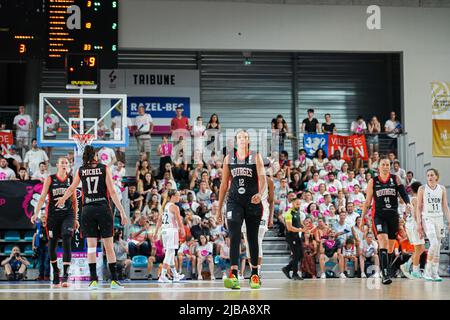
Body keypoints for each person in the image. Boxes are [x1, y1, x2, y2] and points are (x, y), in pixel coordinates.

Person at [55, 145, 128, 290]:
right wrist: (122, 212)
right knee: (109, 246)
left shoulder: (81, 170)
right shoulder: (103, 168)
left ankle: (93, 280)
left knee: (91, 247)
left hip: (87, 210)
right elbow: (112, 192)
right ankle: (114, 281)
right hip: (102, 208)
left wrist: (63, 199)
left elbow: (71, 189)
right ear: (94, 156)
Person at [217, 129, 266, 290]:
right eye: (239, 137)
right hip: (234, 202)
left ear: (248, 140)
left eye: (245, 137)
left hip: (252, 201)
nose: (242, 139)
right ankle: (233, 274)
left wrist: (260, 193)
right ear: (236, 140)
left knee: (252, 238)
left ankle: (254, 274)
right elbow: (224, 185)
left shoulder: (255, 156)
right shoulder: (228, 158)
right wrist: (218, 210)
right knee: (234, 236)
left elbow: (263, 178)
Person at [361, 155, 413, 285]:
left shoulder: (396, 178)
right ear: (378, 167)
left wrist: (408, 203)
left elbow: (403, 193)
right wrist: (362, 219)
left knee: (390, 248)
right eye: (383, 164)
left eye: (387, 165)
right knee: (382, 241)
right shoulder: (373, 181)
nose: (385, 167)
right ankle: (385, 274)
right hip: (379, 215)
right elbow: (367, 202)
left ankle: (387, 268)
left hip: (393, 216)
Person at [32, 157, 78, 288]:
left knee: (66, 237)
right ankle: (56, 273)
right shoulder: (50, 178)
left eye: (66, 163)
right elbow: (42, 197)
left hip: (68, 214)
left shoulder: (71, 179)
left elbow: (74, 201)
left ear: (69, 165)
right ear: (57, 165)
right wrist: (36, 213)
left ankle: (66, 275)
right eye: (62, 162)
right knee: (51, 245)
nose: (64, 164)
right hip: (53, 215)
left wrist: (76, 219)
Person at [417, 169, 450, 281]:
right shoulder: (422, 189)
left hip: (439, 218)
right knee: (434, 243)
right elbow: (418, 207)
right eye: (428, 175)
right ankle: (427, 270)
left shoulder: (442, 189)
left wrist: (449, 221)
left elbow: (445, 206)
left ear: (436, 176)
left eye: (432, 175)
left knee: (438, 246)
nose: (429, 177)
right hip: (427, 218)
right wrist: (419, 224)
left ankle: (435, 273)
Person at [242, 164, 275, 277]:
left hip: (262, 212)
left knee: (257, 240)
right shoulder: (245, 180)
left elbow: (271, 201)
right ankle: (253, 271)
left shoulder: (268, 181)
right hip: (246, 212)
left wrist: (271, 217)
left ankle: (257, 271)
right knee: (247, 242)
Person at [153, 190, 186, 283]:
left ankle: (175, 275)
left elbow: (159, 221)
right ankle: (163, 275)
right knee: (169, 253)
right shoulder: (174, 207)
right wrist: (182, 228)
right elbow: (179, 219)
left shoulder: (164, 206)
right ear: (173, 196)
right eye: (177, 195)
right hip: (172, 231)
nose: (179, 197)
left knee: (170, 253)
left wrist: (156, 233)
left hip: (164, 231)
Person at [399, 181, 425, 280]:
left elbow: (405, 215)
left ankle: (408, 265)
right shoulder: (415, 199)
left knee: (420, 249)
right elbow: (416, 214)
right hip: (414, 225)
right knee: (419, 249)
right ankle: (414, 271)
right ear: (419, 189)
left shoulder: (409, 200)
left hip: (410, 225)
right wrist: (420, 226)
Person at [281, 198, 308, 281]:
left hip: (297, 236)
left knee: (301, 255)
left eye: (299, 204)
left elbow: (300, 223)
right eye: (297, 204)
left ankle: (287, 268)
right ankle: (295, 274)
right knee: (296, 255)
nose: (299, 205)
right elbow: (289, 228)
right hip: (291, 236)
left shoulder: (298, 212)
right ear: (292, 203)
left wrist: (305, 227)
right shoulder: (288, 213)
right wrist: (301, 230)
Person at [32, 215, 50, 281]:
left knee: (47, 261)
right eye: (42, 218)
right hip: (39, 246)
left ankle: (46, 275)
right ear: (40, 219)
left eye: (45, 217)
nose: (43, 219)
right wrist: (33, 246)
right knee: (41, 261)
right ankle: (41, 275)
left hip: (47, 245)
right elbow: (34, 236)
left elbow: (52, 236)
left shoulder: (49, 226)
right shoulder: (38, 226)